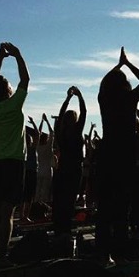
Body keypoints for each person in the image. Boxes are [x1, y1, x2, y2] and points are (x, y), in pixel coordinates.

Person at [96, 47, 139, 263]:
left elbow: (103, 82)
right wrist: (127, 64)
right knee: (122, 207)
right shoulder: (130, 99)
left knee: (104, 207)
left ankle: (102, 252)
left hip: (107, 154)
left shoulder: (104, 98)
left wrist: (117, 66)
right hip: (126, 156)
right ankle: (120, 251)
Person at [0, 42, 30, 264]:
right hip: (13, 163)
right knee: (6, 214)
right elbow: (25, 80)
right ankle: (1, 256)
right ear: (9, 91)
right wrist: (18, 55)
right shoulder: (14, 105)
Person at [53, 86, 86, 237]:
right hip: (74, 169)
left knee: (60, 199)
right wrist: (79, 96)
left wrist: (67, 98)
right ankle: (65, 227)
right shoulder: (76, 131)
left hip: (62, 168)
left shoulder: (61, 133)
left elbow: (60, 116)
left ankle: (58, 226)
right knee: (70, 199)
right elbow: (84, 112)